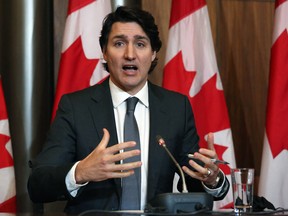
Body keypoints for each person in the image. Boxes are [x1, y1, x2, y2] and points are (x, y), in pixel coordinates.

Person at [27, 6, 229, 214]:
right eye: (119, 43)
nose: (130, 54)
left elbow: (191, 181)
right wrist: (81, 172)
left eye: (140, 44)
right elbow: (38, 185)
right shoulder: (76, 107)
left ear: (153, 54)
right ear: (105, 52)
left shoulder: (176, 107)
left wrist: (212, 179)